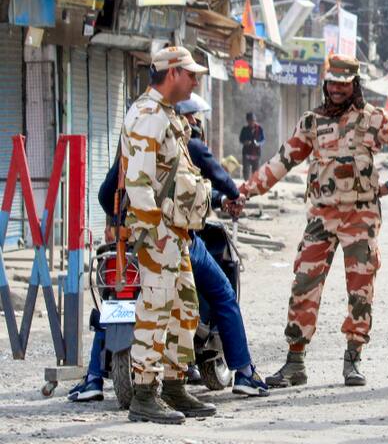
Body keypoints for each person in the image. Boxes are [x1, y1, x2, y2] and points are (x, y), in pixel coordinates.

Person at [240, 54, 388, 388]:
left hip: (361, 214)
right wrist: (247, 190)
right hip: (321, 216)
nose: (338, 89)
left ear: (354, 85)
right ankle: (295, 362)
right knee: (303, 284)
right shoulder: (312, 122)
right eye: (333, 83)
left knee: (360, 290)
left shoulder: (373, 119)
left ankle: (353, 360)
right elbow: (283, 160)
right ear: (326, 85)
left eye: (344, 83)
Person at [69, 94, 269, 404]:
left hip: (129, 242)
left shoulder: (131, 147)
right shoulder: (182, 140)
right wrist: (231, 195)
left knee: (116, 297)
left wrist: (124, 219)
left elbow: (106, 193)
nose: (194, 123)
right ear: (183, 116)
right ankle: (243, 372)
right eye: (192, 116)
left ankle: (94, 378)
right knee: (220, 294)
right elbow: (210, 176)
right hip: (173, 239)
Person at [121, 46, 214, 424]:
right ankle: (145, 393)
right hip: (157, 231)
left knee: (184, 309)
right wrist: (156, 231)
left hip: (175, 232)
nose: (196, 80)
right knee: (155, 309)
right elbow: (138, 181)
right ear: (172, 72)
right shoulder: (147, 114)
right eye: (191, 74)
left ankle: (175, 387)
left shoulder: (167, 115)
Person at [239, 112, 265, 180]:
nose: (252, 122)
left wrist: (258, 143)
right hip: (246, 153)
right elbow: (241, 139)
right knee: (246, 171)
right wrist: (245, 142)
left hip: (256, 154)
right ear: (247, 121)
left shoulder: (259, 129)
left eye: (253, 120)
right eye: (250, 121)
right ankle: (247, 185)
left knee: (256, 172)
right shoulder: (244, 129)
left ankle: (254, 186)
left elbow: (263, 140)